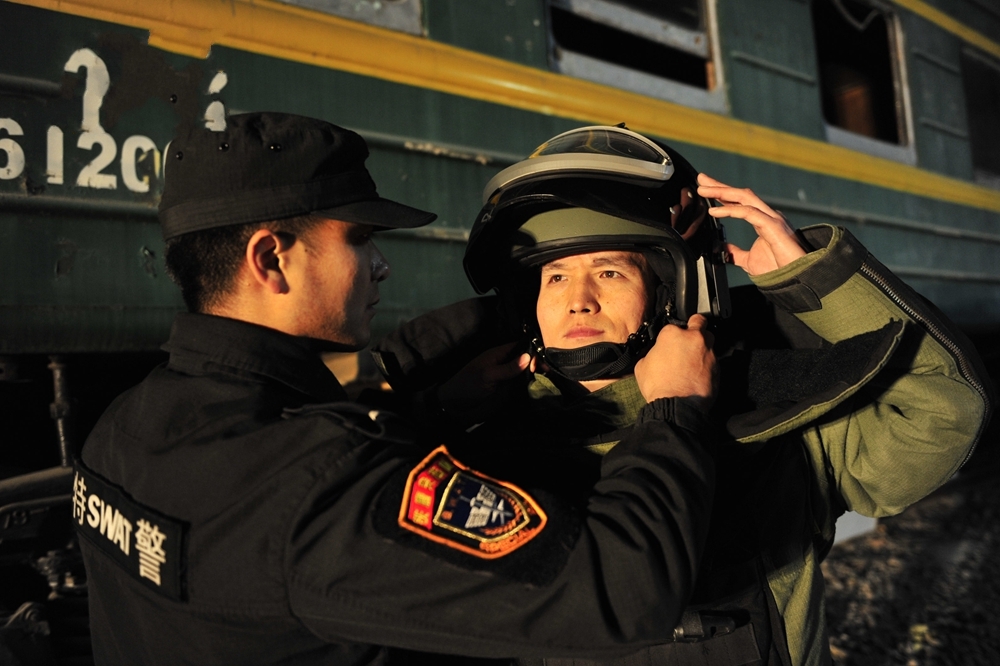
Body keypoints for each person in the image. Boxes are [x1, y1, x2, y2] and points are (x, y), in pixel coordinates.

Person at [72, 113, 721, 665]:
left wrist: (437, 410)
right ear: (271, 259)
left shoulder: (122, 426)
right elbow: (621, 590)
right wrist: (673, 411)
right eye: (359, 240)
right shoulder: (319, 483)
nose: (380, 265)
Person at [372, 125, 995, 666]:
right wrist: (440, 411)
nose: (577, 300)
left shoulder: (774, 427)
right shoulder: (474, 444)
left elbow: (946, 407)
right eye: (554, 275)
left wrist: (811, 280)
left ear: (674, 294)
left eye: (609, 271)